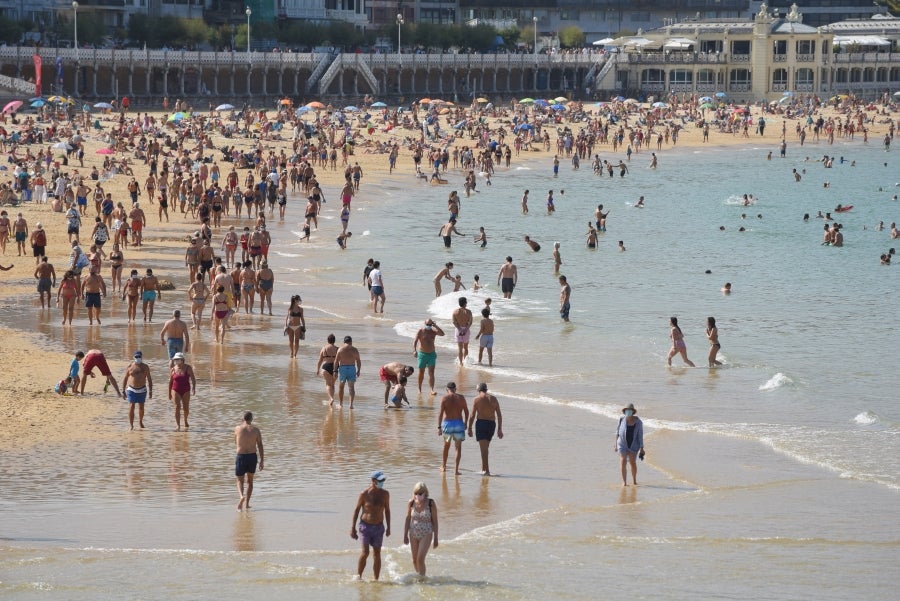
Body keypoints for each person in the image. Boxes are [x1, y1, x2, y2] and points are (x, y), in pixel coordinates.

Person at [351, 470, 391, 581]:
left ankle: (376, 579)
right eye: (380, 480)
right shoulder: (364, 494)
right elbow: (356, 510)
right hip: (365, 527)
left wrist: (389, 527)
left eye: (383, 480)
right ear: (373, 481)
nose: (382, 482)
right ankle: (358, 576)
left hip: (379, 527)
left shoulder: (385, 494)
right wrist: (353, 528)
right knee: (365, 552)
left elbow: (387, 510)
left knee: (377, 554)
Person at [467, 383, 504, 475]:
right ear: (486, 389)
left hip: (481, 424)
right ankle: (483, 468)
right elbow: (499, 415)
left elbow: (472, 415)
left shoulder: (476, 399)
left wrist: (469, 427)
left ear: (478, 390)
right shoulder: (494, 399)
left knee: (483, 449)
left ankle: (487, 470)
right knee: (485, 448)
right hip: (491, 424)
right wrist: (499, 429)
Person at [403, 482, 439, 577]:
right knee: (414, 560)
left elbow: (435, 521)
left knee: (420, 559)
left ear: (425, 493)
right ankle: (420, 576)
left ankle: (422, 579)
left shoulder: (431, 503)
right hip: (413, 533)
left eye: (420, 493)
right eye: (416, 493)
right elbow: (407, 519)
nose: (418, 495)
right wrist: (405, 535)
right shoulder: (411, 503)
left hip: (426, 533)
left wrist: (436, 538)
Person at [234, 411, 265, 510]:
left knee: (240, 480)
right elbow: (260, 445)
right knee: (250, 482)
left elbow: (236, 442)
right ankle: (247, 504)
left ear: (242, 419)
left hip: (241, 456)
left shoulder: (237, 428)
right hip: (252, 457)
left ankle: (241, 496)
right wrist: (262, 460)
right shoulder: (256, 430)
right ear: (252, 419)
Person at [438, 382, 469, 474]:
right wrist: (466, 423)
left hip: (447, 423)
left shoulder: (444, 398)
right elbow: (466, 412)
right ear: (455, 389)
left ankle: (444, 467)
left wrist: (439, 427)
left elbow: (440, 414)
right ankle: (456, 470)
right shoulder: (461, 398)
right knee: (458, 448)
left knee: (446, 446)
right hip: (459, 423)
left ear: (447, 389)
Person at [121, 350, 153, 430]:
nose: (138, 358)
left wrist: (150, 391)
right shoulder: (130, 366)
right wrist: (123, 390)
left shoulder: (145, 367)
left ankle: (140, 421)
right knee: (131, 406)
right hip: (131, 389)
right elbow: (125, 378)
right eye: (136, 357)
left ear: (141, 357)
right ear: (133, 357)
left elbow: (149, 379)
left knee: (141, 407)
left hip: (142, 389)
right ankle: (131, 425)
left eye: (139, 356)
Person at [414, 318, 445, 395]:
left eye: (430, 324)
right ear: (425, 323)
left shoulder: (433, 331)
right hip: (422, 354)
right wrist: (414, 350)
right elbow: (415, 341)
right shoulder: (421, 331)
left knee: (431, 372)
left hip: (431, 354)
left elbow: (442, 334)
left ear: (432, 324)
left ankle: (431, 389)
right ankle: (419, 388)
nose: (428, 325)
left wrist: (436, 326)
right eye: (427, 324)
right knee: (421, 372)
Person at [616, 403, 644, 486]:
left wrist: (642, 448)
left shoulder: (638, 422)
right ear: (625, 411)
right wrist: (616, 444)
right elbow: (617, 432)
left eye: (630, 410)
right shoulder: (621, 419)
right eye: (626, 410)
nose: (628, 412)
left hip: (633, 445)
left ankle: (634, 480)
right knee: (623, 461)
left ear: (633, 411)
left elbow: (640, 435)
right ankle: (624, 482)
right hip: (622, 444)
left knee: (632, 462)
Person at [168, 352, 196, 431]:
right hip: (175, 390)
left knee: (186, 408)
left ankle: (185, 420)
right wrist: (169, 393)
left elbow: (193, 379)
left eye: (178, 359)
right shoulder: (173, 369)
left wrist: (194, 388)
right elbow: (170, 382)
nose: (176, 361)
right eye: (175, 359)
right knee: (177, 407)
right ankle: (178, 425)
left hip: (186, 390)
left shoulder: (188, 368)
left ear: (182, 360)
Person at [334, 335, 361, 408]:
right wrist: (358, 370)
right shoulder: (355, 349)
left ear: (344, 342)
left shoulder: (340, 349)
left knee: (341, 387)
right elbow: (358, 360)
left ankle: (340, 404)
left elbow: (336, 361)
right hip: (352, 368)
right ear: (351, 341)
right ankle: (351, 404)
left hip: (343, 368)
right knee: (351, 387)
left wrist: (335, 371)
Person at [315, 333, 339, 405]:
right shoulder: (337, 349)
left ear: (328, 340)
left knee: (328, 384)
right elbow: (340, 360)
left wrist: (318, 369)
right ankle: (331, 399)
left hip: (326, 367)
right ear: (334, 340)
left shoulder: (324, 348)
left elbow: (320, 360)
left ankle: (330, 399)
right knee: (332, 385)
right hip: (335, 367)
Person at [452, 297, 473, 366]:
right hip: (466, 330)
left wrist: (460, 329)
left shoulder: (455, 312)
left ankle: (461, 363)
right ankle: (465, 361)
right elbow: (470, 322)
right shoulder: (469, 312)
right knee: (466, 347)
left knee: (460, 348)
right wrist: (466, 329)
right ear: (465, 303)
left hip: (458, 330)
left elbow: (454, 322)